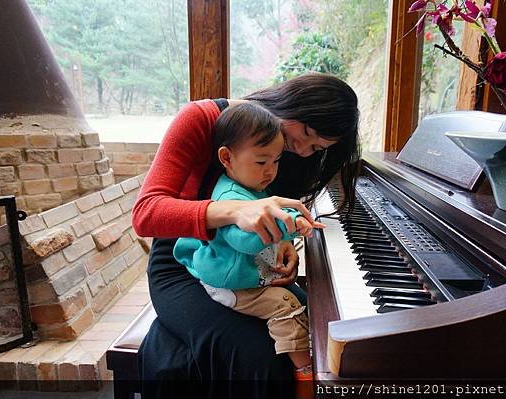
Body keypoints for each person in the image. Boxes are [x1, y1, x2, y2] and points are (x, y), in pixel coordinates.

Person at [132, 73, 360, 399]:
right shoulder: (200, 119)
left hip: (245, 265)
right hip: (184, 264)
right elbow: (146, 214)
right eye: (307, 133)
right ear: (291, 102)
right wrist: (234, 211)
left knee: (316, 326)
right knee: (258, 357)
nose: (303, 149)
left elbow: (268, 223)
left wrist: (282, 249)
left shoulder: (289, 154)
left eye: (318, 148)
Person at [172, 102, 324, 381]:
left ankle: (316, 350)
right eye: (262, 162)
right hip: (230, 282)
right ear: (227, 158)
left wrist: (293, 218)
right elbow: (246, 241)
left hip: (249, 272)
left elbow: (275, 209)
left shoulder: (251, 182)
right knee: (285, 306)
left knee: (303, 299)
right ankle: (305, 370)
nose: (270, 171)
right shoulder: (229, 194)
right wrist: (289, 229)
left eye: (276, 161)